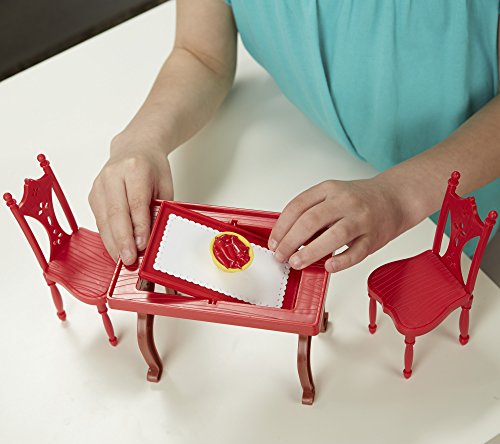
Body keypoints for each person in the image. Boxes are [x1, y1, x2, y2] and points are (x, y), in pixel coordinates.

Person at [89, 0, 500, 273]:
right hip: (329, 167)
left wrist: (400, 196)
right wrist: (140, 141)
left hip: (463, 213)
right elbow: (201, 54)